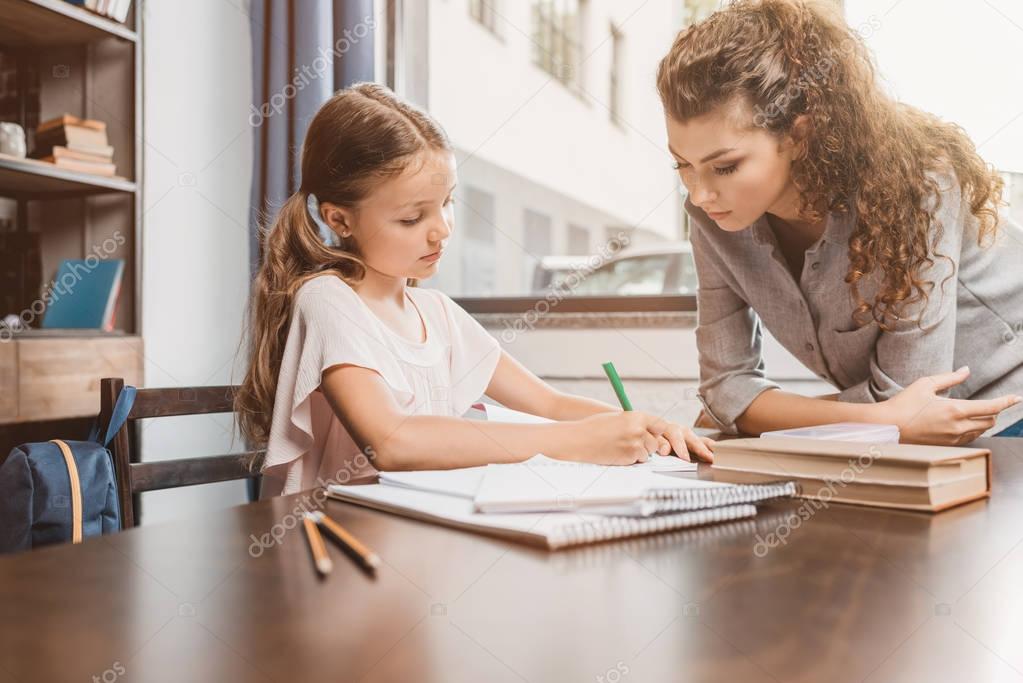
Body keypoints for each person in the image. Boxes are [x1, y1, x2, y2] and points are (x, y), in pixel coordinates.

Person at [236, 83, 714, 497]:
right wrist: (577, 442)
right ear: (339, 219)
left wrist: (644, 425)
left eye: (447, 203)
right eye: (412, 217)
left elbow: (548, 404)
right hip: (340, 547)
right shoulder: (327, 301)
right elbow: (393, 441)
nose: (442, 229)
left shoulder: (436, 313)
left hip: (417, 535)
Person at [655, 0, 1023, 445]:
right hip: (906, 439)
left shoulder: (919, 180)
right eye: (683, 166)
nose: (699, 193)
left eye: (726, 166)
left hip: (1003, 409)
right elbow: (723, 387)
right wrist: (883, 418)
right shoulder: (709, 216)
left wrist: (753, 413)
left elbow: (908, 397)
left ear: (798, 134)